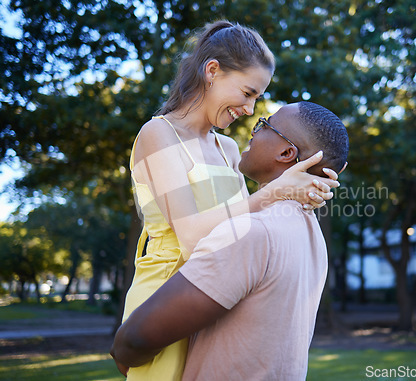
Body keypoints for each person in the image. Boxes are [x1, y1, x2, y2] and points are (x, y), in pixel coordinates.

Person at [120, 20, 340, 380]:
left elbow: (242, 227)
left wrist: (307, 191)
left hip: (217, 295)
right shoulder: (158, 134)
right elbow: (193, 238)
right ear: (212, 72)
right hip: (165, 295)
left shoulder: (227, 147)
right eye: (248, 92)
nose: (251, 109)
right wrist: (275, 190)